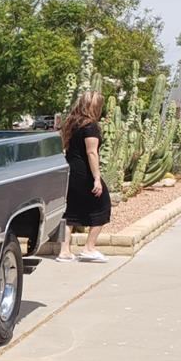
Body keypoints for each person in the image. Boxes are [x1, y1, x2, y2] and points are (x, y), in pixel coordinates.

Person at [56, 90, 111, 263]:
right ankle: (89, 248)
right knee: (103, 205)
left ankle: (64, 252)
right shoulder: (90, 126)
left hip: (70, 170)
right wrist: (96, 178)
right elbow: (92, 152)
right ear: (95, 107)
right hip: (84, 173)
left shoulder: (72, 124)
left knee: (70, 210)